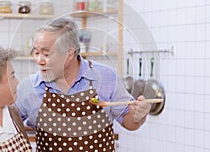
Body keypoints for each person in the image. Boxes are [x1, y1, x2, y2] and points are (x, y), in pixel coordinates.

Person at [15, 18, 151, 152]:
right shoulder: (28, 87)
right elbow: (9, 125)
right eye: (36, 53)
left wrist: (138, 116)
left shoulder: (106, 77)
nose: (39, 60)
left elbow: (129, 121)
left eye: (46, 54)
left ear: (70, 53)